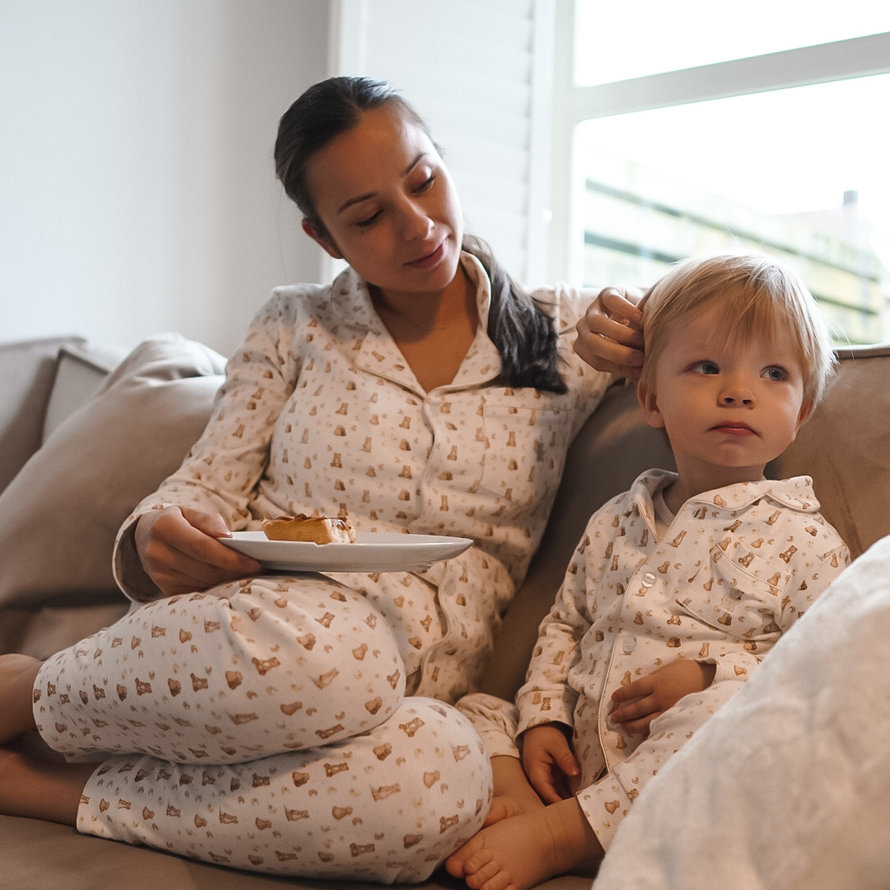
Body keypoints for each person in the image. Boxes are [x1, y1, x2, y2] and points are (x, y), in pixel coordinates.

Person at [0, 76, 613, 883]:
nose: (418, 224)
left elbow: (721, 328)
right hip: (275, 626)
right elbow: (205, 486)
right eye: (367, 216)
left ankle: (54, 787)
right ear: (324, 237)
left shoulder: (567, 332)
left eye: (424, 179)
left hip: (421, 688)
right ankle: (30, 691)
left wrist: (653, 328)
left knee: (433, 794)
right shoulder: (296, 323)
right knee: (342, 656)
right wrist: (161, 533)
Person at [445, 253, 850, 890]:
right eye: (707, 366)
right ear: (651, 399)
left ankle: (564, 837)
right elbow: (565, 625)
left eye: (774, 373)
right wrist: (543, 718)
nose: (738, 389)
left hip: (686, 771)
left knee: (723, 716)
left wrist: (709, 673)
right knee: (474, 708)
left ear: (799, 414)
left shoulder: (805, 538)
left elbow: (820, 671)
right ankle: (538, 802)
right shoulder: (615, 518)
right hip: (584, 755)